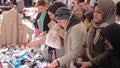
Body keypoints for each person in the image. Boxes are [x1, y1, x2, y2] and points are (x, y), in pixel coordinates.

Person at [79, 0, 116, 68]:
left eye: (98, 12)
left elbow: (107, 52)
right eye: (94, 11)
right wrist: (80, 57)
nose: (94, 14)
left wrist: (90, 63)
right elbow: (85, 44)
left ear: (107, 12)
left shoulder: (111, 30)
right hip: (86, 61)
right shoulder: (93, 26)